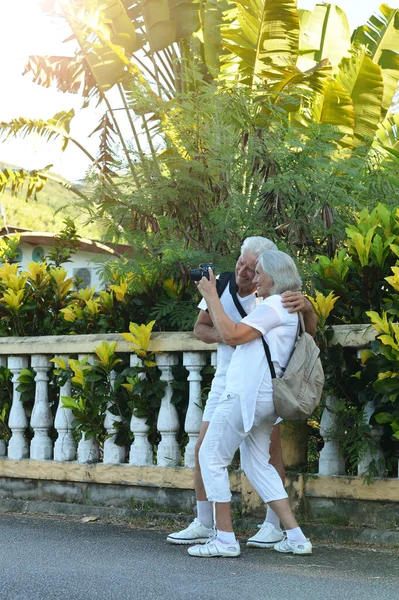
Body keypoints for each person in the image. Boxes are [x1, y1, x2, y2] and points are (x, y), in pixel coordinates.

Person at [166, 237, 316, 547]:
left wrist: (210, 296)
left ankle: (225, 538)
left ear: (270, 275)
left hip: (249, 388)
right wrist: (220, 311)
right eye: (243, 265)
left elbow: (236, 334)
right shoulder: (269, 299)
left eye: (255, 270)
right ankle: (297, 537)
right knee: (254, 463)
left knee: (212, 454)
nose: (246, 274)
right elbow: (212, 331)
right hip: (246, 386)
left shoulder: (275, 303)